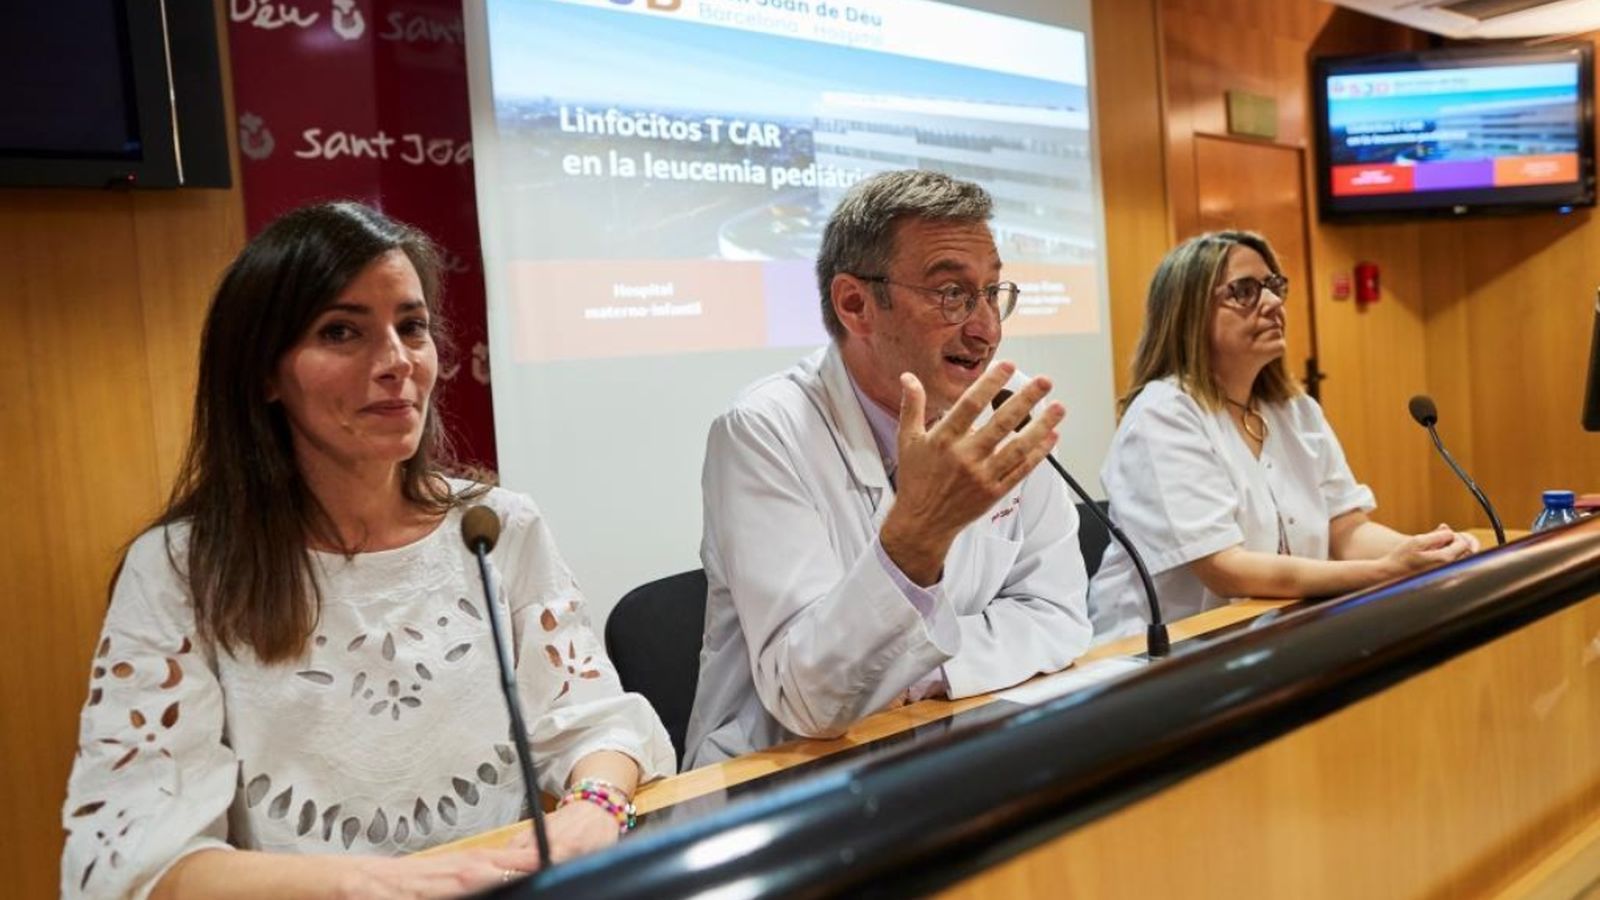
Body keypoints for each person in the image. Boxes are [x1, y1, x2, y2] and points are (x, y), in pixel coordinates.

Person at [61, 202, 674, 899]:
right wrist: (374, 884)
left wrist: (596, 808)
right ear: (264, 373)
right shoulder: (180, 568)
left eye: (411, 327)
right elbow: (144, 860)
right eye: (342, 332)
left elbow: (594, 724)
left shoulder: (496, 526)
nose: (396, 363)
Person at [684, 170, 1091, 768]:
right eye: (952, 293)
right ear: (855, 304)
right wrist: (920, 534)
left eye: (993, 292)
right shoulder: (764, 430)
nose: (987, 329)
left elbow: (1058, 617)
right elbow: (811, 699)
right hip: (780, 782)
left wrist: (920, 673)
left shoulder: (1005, 408)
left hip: (951, 740)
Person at [1088, 230, 1478, 639]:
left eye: (1273, 286)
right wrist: (1383, 571)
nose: (1274, 304)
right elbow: (1225, 569)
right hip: (1156, 659)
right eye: (1244, 291)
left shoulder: (1294, 410)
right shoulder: (1164, 414)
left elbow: (1347, 531)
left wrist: (1426, 552)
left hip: (1271, 634)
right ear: (1188, 314)